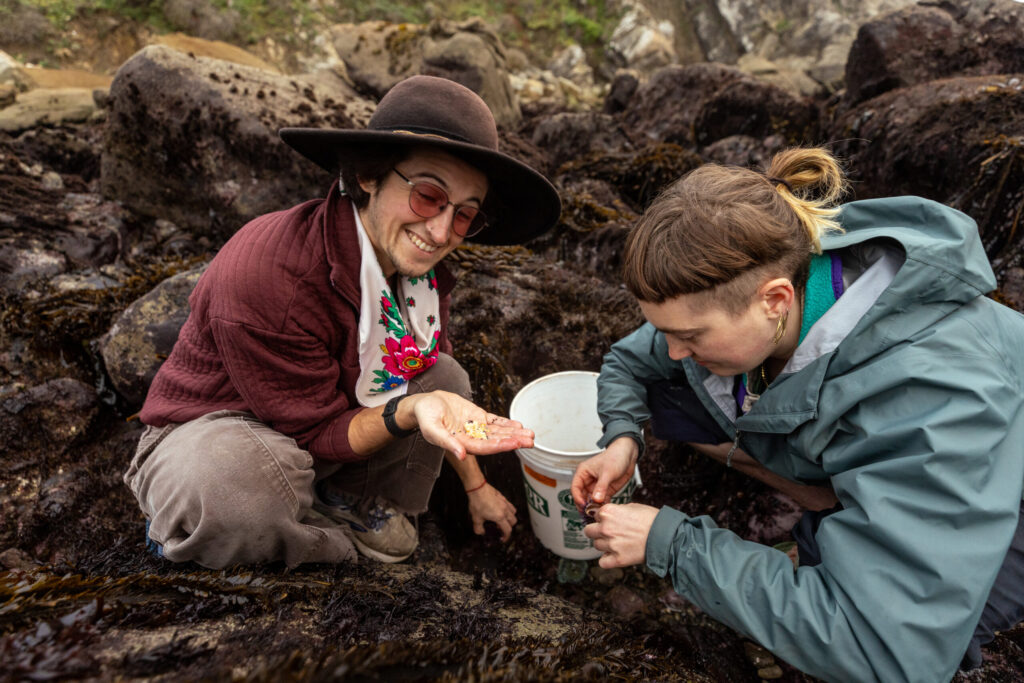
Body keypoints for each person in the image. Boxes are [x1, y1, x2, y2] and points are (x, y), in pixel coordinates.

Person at [573, 147, 1024, 682]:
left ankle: (818, 554)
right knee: (677, 393)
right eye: (665, 330)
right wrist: (624, 436)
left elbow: (887, 652)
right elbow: (629, 359)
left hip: (999, 497)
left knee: (900, 647)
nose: (671, 350)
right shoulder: (767, 274)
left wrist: (670, 544)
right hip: (890, 451)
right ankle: (815, 540)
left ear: (775, 299)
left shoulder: (931, 393)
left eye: (689, 336)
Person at [125, 75, 561, 568]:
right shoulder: (273, 274)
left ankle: (343, 499)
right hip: (220, 427)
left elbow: (440, 402)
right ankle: (318, 546)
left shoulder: (421, 280)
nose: (441, 232)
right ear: (369, 175)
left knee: (445, 378)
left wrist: (476, 486)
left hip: (326, 423)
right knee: (237, 489)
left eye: (464, 215)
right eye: (426, 195)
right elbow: (315, 433)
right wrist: (408, 411)